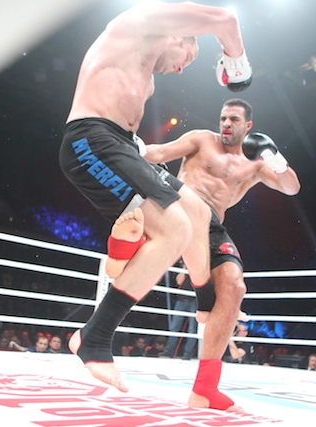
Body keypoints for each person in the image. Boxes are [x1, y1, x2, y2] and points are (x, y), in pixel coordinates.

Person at [59, 2, 252, 410]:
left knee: (197, 211)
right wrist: (236, 62)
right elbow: (225, 18)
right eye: (188, 57)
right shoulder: (137, 23)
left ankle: (203, 300)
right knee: (174, 227)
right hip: (90, 141)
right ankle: (94, 336)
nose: (181, 69)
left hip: (121, 145)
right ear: (177, 37)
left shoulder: (144, 75)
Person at [144, 98, 300, 409]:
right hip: (179, 211)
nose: (226, 124)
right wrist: (125, 146)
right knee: (140, 256)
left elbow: (291, 187)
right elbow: (158, 153)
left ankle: (204, 389)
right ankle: (96, 334)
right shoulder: (202, 139)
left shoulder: (255, 163)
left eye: (234, 119)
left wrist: (276, 159)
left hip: (211, 226)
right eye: (223, 118)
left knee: (234, 286)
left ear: (248, 126)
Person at [160, 265, 198, 360]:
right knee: (174, 326)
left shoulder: (198, 269)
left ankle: (187, 353)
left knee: (192, 328)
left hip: (194, 300)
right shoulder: (185, 269)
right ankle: (169, 351)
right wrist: (184, 268)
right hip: (182, 299)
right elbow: (179, 281)